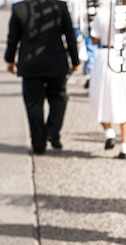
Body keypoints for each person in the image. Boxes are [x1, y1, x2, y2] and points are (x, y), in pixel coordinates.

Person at [4, 0, 80, 155]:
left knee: (33, 103)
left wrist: (10, 59)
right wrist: (75, 60)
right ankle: (52, 130)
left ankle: (38, 143)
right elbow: (69, 35)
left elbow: (13, 38)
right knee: (59, 97)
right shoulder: (60, 6)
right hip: (56, 61)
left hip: (30, 64)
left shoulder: (19, 8)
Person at [89, 0, 126, 159]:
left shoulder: (103, 12)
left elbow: (95, 39)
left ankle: (109, 132)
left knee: (101, 100)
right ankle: (125, 146)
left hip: (107, 57)